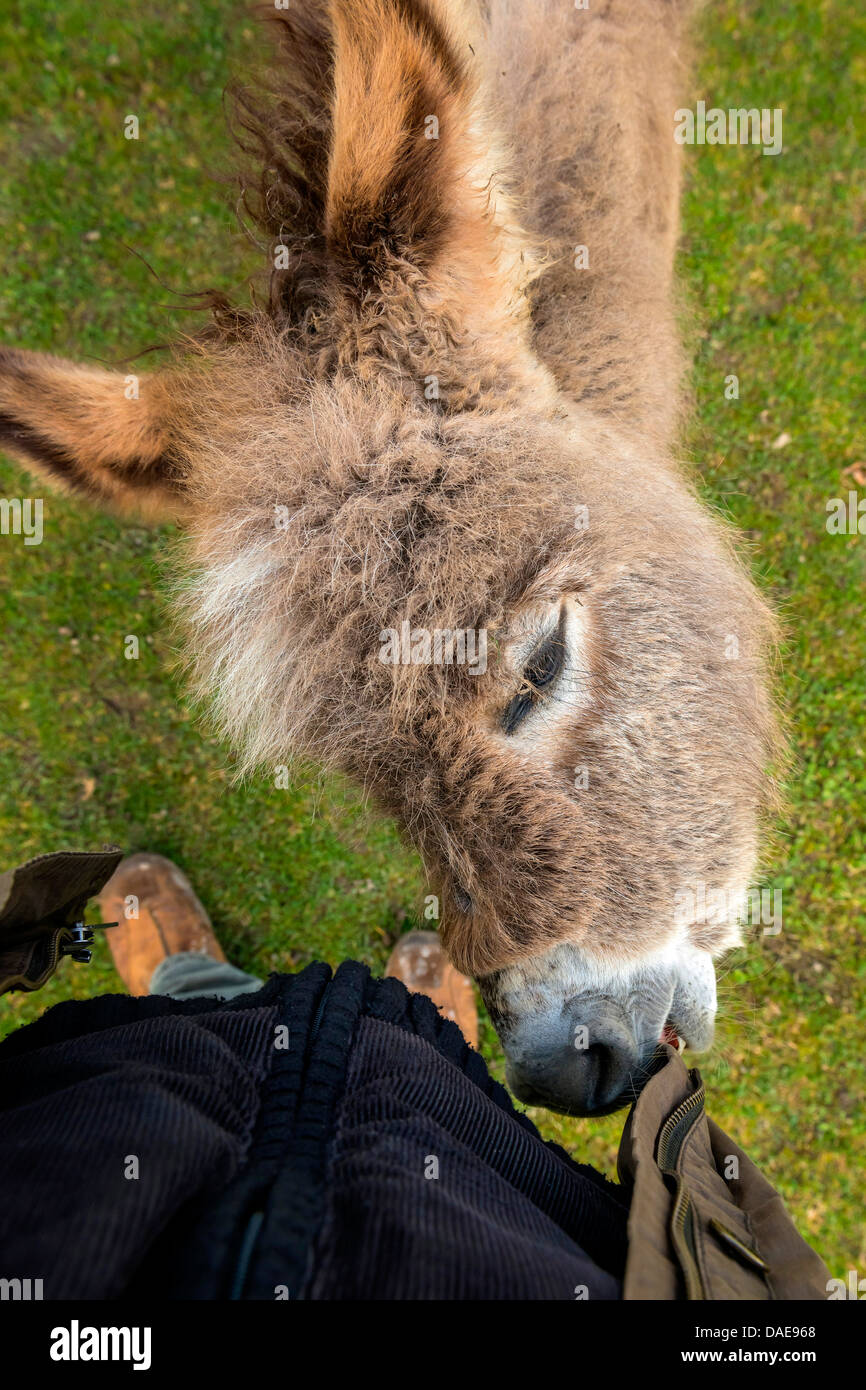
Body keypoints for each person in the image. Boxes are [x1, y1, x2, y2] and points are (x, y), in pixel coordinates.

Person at [0, 849, 829, 1300]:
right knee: (446, 1100)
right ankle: (437, 1041)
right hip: (492, 1243)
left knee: (180, 1042)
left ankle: (192, 986)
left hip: (80, 1161)